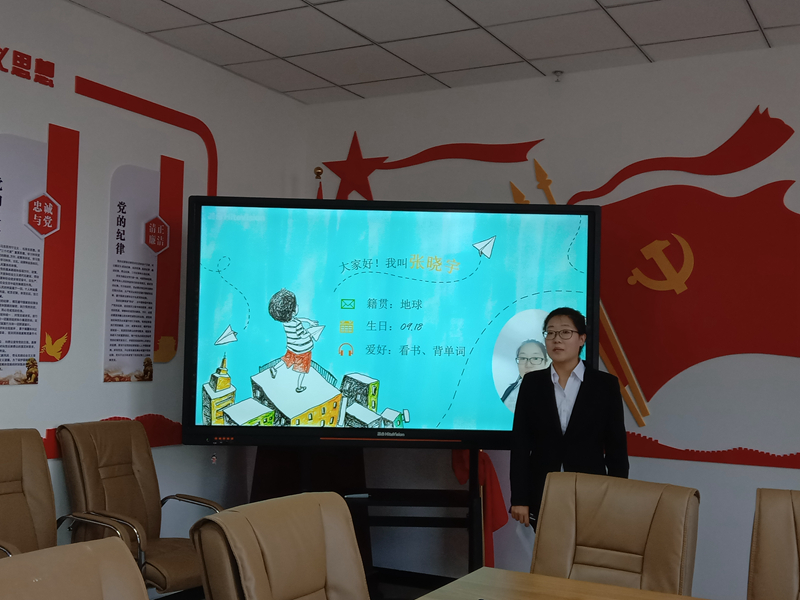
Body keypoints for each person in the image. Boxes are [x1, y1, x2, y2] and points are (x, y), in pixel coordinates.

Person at [509, 307, 628, 531]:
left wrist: (616, 496)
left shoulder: (605, 385)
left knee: (586, 548)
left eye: (565, 332)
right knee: (546, 549)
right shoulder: (532, 383)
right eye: (551, 333)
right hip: (542, 488)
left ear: (582, 339)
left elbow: (616, 448)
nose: (557, 339)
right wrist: (520, 498)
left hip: (591, 489)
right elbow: (520, 445)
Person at [267, 288, 318, 393]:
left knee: (286, 359)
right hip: (303, 350)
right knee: (303, 369)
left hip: (292, 347)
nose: (298, 305)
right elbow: (302, 336)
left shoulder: (287, 322)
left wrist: (309, 321)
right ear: (293, 311)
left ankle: (274, 368)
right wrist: (311, 332)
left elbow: (299, 319)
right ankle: (299, 387)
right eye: (296, 305)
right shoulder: (296, 324)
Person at [501, 339, 548, 413]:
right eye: (523, 358)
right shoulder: (510, 389)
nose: (528, 365)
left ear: (545, 362)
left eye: (535, 358)